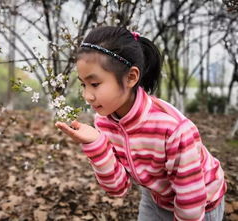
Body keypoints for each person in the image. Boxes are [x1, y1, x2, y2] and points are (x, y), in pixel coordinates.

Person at [55, 26, 226, 221]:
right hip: (156, 196)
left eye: (95, 84)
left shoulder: (172, 129)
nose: (87, 96)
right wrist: (95, 144)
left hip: (201, 201)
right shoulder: (103, 121)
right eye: (83, 84)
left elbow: (191, 200)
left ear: (131, 77)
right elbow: (117, 189)